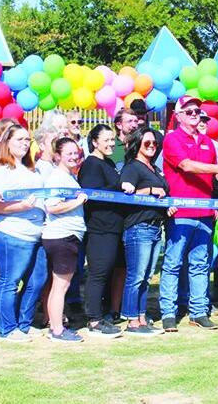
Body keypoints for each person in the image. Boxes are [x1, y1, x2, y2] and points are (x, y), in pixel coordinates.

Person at [159, 96, 218, 332]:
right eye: (189, 111)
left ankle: (199, 311)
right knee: (173, 263)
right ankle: (168, 313)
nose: (195, 115)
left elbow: (215, 178)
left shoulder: (208, 143)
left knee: (200, 264)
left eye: (197, 111)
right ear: (178, 116)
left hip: (205, 211)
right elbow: (186, 166)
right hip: (181, 212)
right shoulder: (171, 139)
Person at [0, 125, 47, 342]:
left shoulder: (33, 170)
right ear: (7, 142)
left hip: (37, 233)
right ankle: (7, 328)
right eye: (19, 139)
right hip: (10, 232)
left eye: (27, 139)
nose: (25, 143)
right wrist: (20, 207)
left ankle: (24, 323)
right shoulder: (0, 170)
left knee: (37, 280)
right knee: (9, 281)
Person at [118, 128, 172, 335]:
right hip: (139, 227)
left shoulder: (154, 168)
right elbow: (126, 195)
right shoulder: (132, 167)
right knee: (136, 276)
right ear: (138, 143)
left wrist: (166, 206)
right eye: (147, 142)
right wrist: (149, 191)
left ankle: (141, 318)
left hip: (156, 227)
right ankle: (132, 320)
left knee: (147, 276)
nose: (152, 146)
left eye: (154, 143)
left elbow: (162, 194)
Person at [77, 124, 127, 338]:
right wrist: (119, 187)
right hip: (99, 228)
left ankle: (102, 314)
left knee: (106, 273)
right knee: (98, 273)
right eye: (106, 140)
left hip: (112, 227)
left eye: (112, 139)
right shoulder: (91, 164)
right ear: (94, 142)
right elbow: (92, 194)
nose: (111, 143)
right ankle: (94, 320)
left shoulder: (108, 162)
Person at [42, 137, 87, 343]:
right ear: (58, 156)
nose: (74, 156)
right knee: (61, 286)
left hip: (64, 236)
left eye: (76, 153)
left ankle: (55, 325)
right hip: (62, 236)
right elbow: (52, 206)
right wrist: (78, 202)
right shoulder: (57, 177)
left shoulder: (68, 176)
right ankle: (57, 330)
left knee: (58, 285)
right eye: (69, 153)